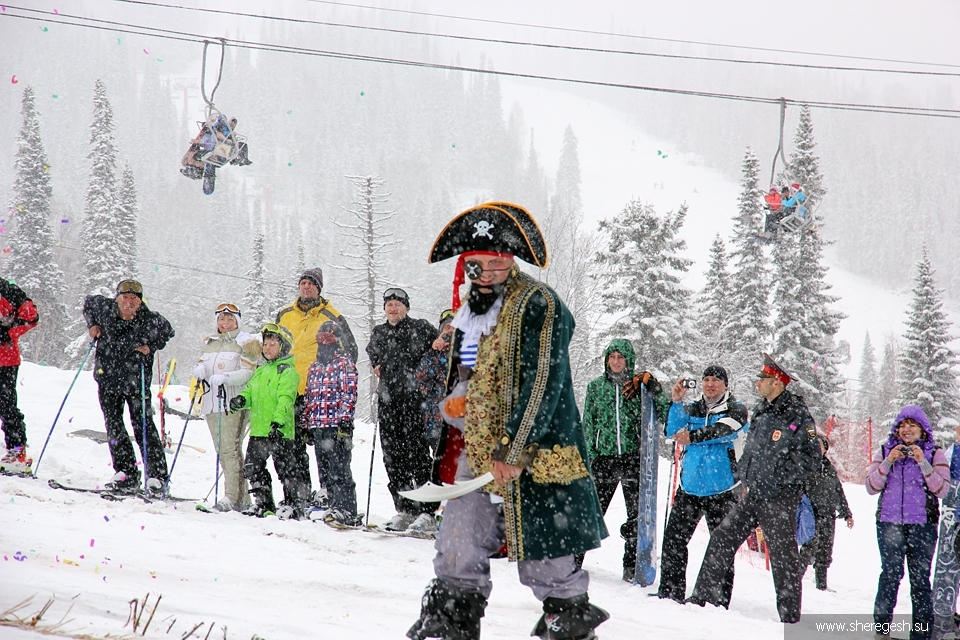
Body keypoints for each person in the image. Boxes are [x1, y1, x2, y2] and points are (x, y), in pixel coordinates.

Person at [407, 202, 609, 640]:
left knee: (548, 562)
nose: (487, 270)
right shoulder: (471, 310)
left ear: (512, 258)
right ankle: (449, 629)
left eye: (497, 260)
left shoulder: (540, 303)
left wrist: (514, 450)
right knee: (457, 547)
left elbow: (542, 381)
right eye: (478, 262)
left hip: (539, 455)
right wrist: (459, 402)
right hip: (478, 455)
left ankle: (569, 631)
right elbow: (467, 374)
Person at [687, 353, 820, 624]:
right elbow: (752, 449)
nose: (757, 382)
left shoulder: (796, 412)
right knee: (722, 538)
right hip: (755, 494)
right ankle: (701, 598)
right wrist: (743, 473)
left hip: (780, 498)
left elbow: (811, 459)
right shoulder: (761, 409)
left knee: (784, 559)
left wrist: (780, 479)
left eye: (763, 378)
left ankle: (789, 618)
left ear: (777, 382)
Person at [656, 365, 748, 605]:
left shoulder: (736, 409)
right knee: (674, 541)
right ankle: (670, 592)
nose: (709, 384)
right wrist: (676, 402)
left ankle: (714, 600)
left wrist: (693, 437)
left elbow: (725, 430)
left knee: (721, 548)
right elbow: (672, 431)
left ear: (726, 385)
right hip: (690, 489)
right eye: (706, 379)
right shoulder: (693, 408)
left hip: (723, 491)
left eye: (715, 380)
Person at [580, 338, 667, 581]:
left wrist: (654, 386)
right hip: (604, 460)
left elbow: (663, 409)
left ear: (628, 360)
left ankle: (631, 567)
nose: (616, 362)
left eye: (621, 357)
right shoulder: (596, 387)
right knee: (591, 513)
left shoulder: (638, 387)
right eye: (612, 357)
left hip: (631, 460)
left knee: (636, 517)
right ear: (606, 360)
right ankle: (572, 562)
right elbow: (588, 424)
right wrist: (591, 456)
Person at [83, 280, 175, 493]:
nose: (129, 302)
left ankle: (157, 477)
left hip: (136, 381)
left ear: (140, 301)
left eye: (134, 298)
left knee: (143, 426)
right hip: (107, 379)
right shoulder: (104, 308)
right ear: (117, 298)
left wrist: (151, 346)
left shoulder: (150, 319)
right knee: (114, 426)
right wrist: (93, 325)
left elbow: (168, 331)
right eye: (125, 297)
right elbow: (88, 303)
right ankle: (126, 473)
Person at [276, 267, 357, 509]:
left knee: (327, 450)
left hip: (319, 394)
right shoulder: (284, 315)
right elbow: (272, 346)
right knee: (292, 449)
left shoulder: (332, 316)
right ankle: (300, 495)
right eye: (303, 283)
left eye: (311, 283)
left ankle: (332, 498)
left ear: (319, 288)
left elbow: (350, 351)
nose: (306, 287)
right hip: (289, 390)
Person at [866, 406, 949, 640]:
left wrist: (923, 462)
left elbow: (942, 489)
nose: (906, 429)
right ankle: (881, 630)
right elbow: (871, 487)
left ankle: (921, 634)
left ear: (922, 429)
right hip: (889, 523)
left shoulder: (935, 453)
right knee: (890, 575)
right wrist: (888, 462)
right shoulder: (884, 451)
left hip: (922, 525)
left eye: (912, 425)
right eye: (902, 425)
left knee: (920, 580)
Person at [366, 288, 440, 532]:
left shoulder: (420, 327)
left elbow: (441, 345)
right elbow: (371, 350)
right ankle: (405, 509)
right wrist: (376, 362)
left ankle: (427, 511)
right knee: (392, 457)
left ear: (407, 308)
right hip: (388, 403)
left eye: (398, 304)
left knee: (417, 455)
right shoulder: (379, 332)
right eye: (389, 304)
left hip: (415, 403)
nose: (393, 308)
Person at [229, 324, 303, 518]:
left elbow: (286, 399)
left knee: (285, 470)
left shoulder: (287, 371)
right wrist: (242, 399)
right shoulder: (261, 370)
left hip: (278, 430)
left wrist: (278, 422)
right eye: (266, 344)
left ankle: (292, 505)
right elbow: (250, 391)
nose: (267, 348)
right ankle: (263, 504)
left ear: (283, 347)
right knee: (253, 468)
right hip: (259, 431)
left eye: (272, 344)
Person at [192, 303, 261, 512]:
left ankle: (233, 496)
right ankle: (239, 498)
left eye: (230, 319)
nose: (225, 323)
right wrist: (200, 369)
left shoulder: (246, 343)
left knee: (231, 450)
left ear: (237, 321)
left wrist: (227, 378)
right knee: (222, 450)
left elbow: (248, 372)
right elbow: (204, 363)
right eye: (222, 319)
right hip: (212, 403)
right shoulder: (210, 343)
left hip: (232, 402)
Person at [303, 320, 360, 526]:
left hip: (337, 425)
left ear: (337, 341)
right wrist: (307, 423)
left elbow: (349, 393)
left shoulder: (343, 363)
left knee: (340, 468)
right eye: (320, 339)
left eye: (328, 339)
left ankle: (346, 509)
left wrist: (345, 421)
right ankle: (330, 503)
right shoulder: (315, 367)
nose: (324, 344)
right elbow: (310, 396)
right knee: (324, 467)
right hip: (319, 424)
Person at [799, 435, 853, 591]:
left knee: (825, 550)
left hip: (828, 514)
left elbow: (838, 491)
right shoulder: (805, 466)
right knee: (809, 548)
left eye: (820, 445)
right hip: (810, 514)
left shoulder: (829, 469)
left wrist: (847, 512)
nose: (817, 447)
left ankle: (821, 586)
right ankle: (795, 583)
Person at [0, 280, 39, 474]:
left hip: (4, 360)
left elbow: (31, 317)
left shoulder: (7, 290)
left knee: (6, 405)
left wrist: (7, 333)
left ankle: (17, 451)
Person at [414, 309, 456, 454]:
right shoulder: (433, 354)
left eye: (455, 327)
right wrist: (435, 352)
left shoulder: (470, 353)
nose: (451, 331)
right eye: (447, 327)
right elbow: (420, 380)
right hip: (436, 420)